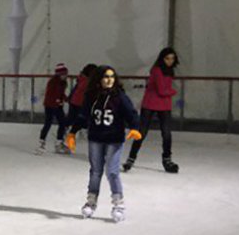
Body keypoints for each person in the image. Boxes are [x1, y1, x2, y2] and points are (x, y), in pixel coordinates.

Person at [68, 65, 141, 222]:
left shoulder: (120, 97)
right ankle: (91, 201)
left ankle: (118, 204)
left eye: (112, 77)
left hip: (114, 139)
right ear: (99, 79)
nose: (109, 80)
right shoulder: (91, 96)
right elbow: (82, 116)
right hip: (95, 138)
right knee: (95, 171)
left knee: (112, 171)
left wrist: (134, 127)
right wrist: (73, 132)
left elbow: (132, 114)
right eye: (106, 77)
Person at [125, 47, 180, 173]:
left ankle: (167, 159)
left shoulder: (170, 71)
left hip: (164, 105)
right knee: (142, 132)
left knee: (166, 133)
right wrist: (173, 91)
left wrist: (168, 93)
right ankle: (131, 158)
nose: (170, 61)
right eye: (167, 58)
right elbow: (162, 90)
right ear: (162, 58)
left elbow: (163, 90)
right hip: (150, 104)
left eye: (172, 59)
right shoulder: (157, 70)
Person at [37, 63, 70, 155]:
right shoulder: (52, 82)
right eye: (63, 74)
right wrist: (57, 101)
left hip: (58, 105)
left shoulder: (63, 83)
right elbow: (50, 94)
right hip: (50, 105)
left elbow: (61, 93)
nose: (65, 76)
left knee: (62, 123)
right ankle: (41, 142)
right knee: (48, 123)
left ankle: (59, 142)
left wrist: (66, 99)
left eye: (65, 74)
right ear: (58, 74)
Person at [65, 63, 98, 144]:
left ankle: (72, 130)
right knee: (77, 118)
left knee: (78, 118)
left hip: (76, 101)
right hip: (79, 102)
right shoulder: (87, 81)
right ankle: (68, 131)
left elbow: (76, 89)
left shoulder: (82, 79)